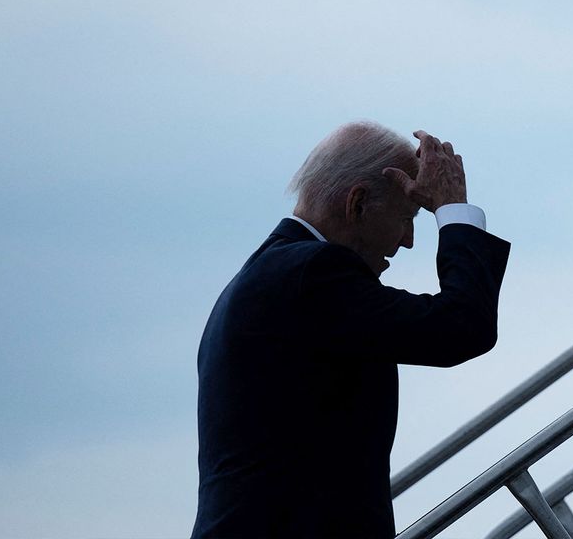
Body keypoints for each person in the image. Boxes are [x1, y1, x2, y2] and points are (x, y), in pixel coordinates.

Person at [190, 122, 510, 538]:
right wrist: (453, 210)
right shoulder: (311, 274)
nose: (409, 240)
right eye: (407, 216)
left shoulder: (266, 275)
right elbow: (462, 327)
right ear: (357, 203)